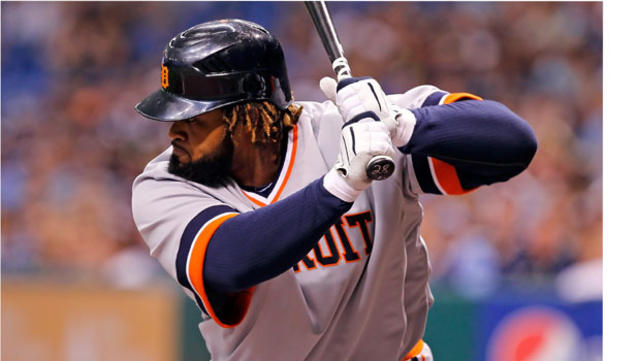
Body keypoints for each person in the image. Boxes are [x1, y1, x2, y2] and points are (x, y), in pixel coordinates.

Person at [131, 19, 537, 361]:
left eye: (195, 119)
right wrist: (340, 185)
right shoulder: (164, 183)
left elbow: (514, 142)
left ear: (247, 115)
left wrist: (402, 124)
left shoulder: (348, 128)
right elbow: (229, 260)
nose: (174, 131)